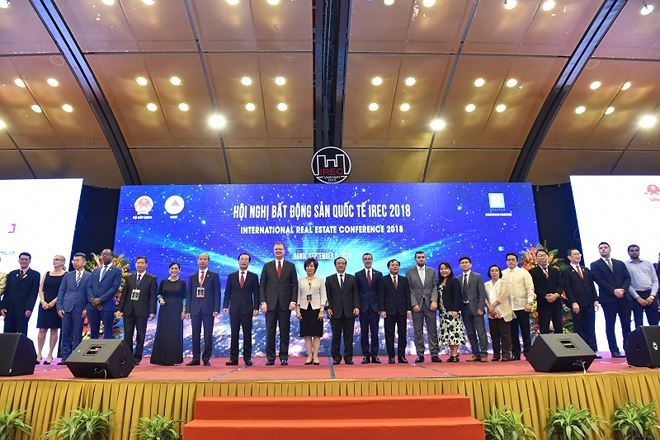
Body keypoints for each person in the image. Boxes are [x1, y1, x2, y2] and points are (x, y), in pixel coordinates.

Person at [590, 242, 632, 358]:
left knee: (626, 325)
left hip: (623, 298)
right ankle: (614, 350)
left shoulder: (619, 263)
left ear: (610, 249)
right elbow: (598, 280)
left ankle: (628, 348)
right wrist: (613, 290)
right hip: (608, 299)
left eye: (605, 247)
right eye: (601, 248)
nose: (603, 249)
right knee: (610, 325)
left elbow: (627, 278)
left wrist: (622, 289)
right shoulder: (595, 265)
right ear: (599, 250)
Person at [259, 241, 298, 366]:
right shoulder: (267, 266)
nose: (278, 251)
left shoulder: (290, 266)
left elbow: (295, 285)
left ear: (284, 251)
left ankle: (284, 357)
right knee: (270, 332)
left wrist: (293, 301)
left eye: (280, 249)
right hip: (270, 304)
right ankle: (270, 358)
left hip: (285, 304)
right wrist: (263, 302)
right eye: (276, 249)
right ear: (273, 251)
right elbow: (262, 285)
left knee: (284, 331)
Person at [117, 256, 157, 365]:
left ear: (146, 265)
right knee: (127, 334)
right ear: (135, 264)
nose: (140, 265)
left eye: (142, 263)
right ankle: (128, 356)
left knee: (140, 335)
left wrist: (152, 311)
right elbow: (124, 295)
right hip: (128, 310)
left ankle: (137, 357)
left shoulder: (151, 278)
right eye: (138, 263)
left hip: (142, 311)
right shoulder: (130, 278)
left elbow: (153, 296)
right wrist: (120, 309)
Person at [562, 248, 600, 357]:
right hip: (577, 304)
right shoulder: (566, 271)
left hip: (589, 303)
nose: (578, 256)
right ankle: (582, 351)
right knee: (579, 327)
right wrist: (573, 302)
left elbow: (592, 286)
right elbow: (567, 289)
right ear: (569, 257)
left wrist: (596, 299)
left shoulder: (585, 269)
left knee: (590, 327)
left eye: (579, 254)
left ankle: (593, 350)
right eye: (575, 254)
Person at [223, 253, 259, 367]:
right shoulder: (232, 276)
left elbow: (256, 294)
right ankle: (233, 359)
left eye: (246, 259)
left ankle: (247, 358)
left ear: (249, 262)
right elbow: (227, 292)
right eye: (242, 259)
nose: (244, 261)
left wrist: (256, 307)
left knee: (247, 334)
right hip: (234, 309)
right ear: (238, 261)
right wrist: (225, 306)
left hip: (247, 309)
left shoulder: (253, 276)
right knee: (234, 334)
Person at [185, 253, 221, 366]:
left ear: (208, 261)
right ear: (197, 261)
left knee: (208, 335)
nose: (202, 261)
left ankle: (206, 358)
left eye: (205, 259)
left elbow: (217, 293)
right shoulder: (192, 277)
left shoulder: (214, 276)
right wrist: (187, 310)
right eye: (200, 259)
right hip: (195, 309)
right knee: (195, 334)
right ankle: (195, 358)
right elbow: (189, 294)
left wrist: (216, 308)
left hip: (209, 309)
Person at [56, 253, 91, 363]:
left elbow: (91, 294)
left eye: (77, 260)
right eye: (74, 260)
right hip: (66, 307)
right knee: (65, 333)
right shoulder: (68, 275)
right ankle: (65, 356)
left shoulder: (89, 276)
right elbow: (61, 291)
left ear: (84, 262)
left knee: (77, 332)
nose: (75, 262)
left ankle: (75, 356)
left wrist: (87, 308)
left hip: (80, 308)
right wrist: (59, 307)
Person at [406, 251, 440, 363]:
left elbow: (434, 287)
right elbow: (409, 289)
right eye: (419, 257)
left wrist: (434, 300)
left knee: (432, 330)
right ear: (415, 259)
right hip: (417, 305)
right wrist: (413, 303)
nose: (421, 259)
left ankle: (434, 354)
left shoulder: (431, 271)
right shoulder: (410, 272)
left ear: (425, 258)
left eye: (422, 257)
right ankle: (420, 354)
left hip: (430, 304)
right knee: (418, 331)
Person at [150, 262, 186, 366]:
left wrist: (184, 310)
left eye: (176, 268)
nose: (174, 270)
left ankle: (174, 358)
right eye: (172, 268)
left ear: (179, 270)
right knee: (163, 332)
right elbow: (158, 294)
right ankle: (160, 358)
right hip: (165, 309)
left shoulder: (182, 283)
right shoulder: (163, 282)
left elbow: (185, 297)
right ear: (169, 270)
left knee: (175, 333)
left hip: (177, 309)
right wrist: (160, 299)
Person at [326, 256, 360, 365]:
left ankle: (348, 357)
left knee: (348, 336)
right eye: (338, 263)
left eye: (343, 263)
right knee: (336, 336)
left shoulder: (352, 278)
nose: (341, 265)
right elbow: (327, 295)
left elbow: (356, 293)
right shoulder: (329, 279)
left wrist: (356, 306)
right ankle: (336, 357)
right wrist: (328, 308)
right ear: (335, 265)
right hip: (335, 311)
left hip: (349, 311)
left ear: (345, 265)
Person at [502, 252, 535, 360]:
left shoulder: (524, 273)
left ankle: (528, 352)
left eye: (513, 260)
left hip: (523, 306)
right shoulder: (502, 274)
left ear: (517, 261)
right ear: (506, 261)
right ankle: (515, 353)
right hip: (509, 308)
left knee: (525, 331)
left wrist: (529, 302)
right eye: (509, 260)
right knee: (512, 332)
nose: (511, 262)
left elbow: (530, 289)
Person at [378, 259, 411, 364]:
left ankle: (402, 356)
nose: (395, 267)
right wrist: (382, 309)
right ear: (389, 267)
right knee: (389, 334)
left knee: (402, 334)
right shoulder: (383, 280)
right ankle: (391, 356)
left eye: (397, 265)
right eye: (393, 265)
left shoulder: (404, 280)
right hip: (389, 311)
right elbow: (381, 296)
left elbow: (407, 295)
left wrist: (408, 309)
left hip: (402, 310)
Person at [295, 257, 326, 366]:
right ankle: (309, 356)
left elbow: (323, 295)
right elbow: (297, 296)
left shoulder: (320, 280)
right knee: (307, 334)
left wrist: (322, 310)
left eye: (312, 266)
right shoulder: (300, 280)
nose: (310, 268)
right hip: (304, 309)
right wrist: (297, 311)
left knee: (317, 334)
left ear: (315, 267)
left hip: (316, 309)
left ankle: (316, 356)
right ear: (305, 267)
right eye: (308, 266)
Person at [36, 255, 66, 364]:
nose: (55, 261)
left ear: (63, 262)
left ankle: (50, 354)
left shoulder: (66, 275)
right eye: (54, 259)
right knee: (42, 330)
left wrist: (54, 302)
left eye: (57, 259)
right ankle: (39, 353)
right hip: (44, 304)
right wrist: (42, 301)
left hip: (57, 305)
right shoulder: (47, 273)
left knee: (54, 330)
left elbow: (64, 290)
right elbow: (40, 288)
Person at [0, 252, 40, 335]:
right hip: (9, 309)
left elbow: (34, 293)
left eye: (26, 259)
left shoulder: (35, 275)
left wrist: (29, 308)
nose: (23, 261)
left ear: (30, 261)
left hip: (23, 310)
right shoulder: (12, 274)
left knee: (21, 335)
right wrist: (2, 306)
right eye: (22, 259)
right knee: (7, 334)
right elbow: (6, 291)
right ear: (19, 260)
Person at [87, 249, 122, 339]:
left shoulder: (117, 271)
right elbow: (89, 286)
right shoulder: (95, 271)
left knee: (107, 331)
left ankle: (106, 349)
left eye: (107, 254)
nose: (105, 256)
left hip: (107, 305)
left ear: (112, 257)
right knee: (93, 332)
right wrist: (93, 300)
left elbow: (114, 288)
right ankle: (93, 349)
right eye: (103, 254)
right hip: (93, 306)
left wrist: (100, 299)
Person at [458, 256, 488, 362]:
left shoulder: (477, 276)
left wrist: (481, 307)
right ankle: (475, 353)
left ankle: (483, 353)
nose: (464, 264)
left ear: (470, 264)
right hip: (464, 309)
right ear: (459, 265)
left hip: (476, 308)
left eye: (466, 262)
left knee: (481, 332)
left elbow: (482, 293)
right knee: (470, 332)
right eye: (462, 263)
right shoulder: (458, 279)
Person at [355, 253, 383, 364]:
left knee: (375, 332)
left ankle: (375, 355)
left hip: (375, 308)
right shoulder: (358, 274)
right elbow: (356, 292)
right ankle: (366, 356)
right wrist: (357, 306)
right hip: (363, 308)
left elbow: (381, 292)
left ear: (372, 260)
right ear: (363, 261)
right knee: (364, 332)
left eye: (369, 259)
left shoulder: (378, 274)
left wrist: (381, 307)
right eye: (365, 259)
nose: (367, 261)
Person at [529, 249, 564, 334]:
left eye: (543, 255)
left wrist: (556, 295)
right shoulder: (532, 272)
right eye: (539, 256)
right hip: (543, 303)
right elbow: (534, 287)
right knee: (544, 329)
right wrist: (545, 296)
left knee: (559, 328)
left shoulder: (555, 270)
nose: (542, 257)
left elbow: (561, 284)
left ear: (548, 257)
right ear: (536, 258)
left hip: (556, 303)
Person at [437, 262, 465, 362]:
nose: (444, 271)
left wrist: (455, 309)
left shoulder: (454, 281)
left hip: (452, 311)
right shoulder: (439, 282)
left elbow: (457, 296)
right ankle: (452, 354)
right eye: (441, 269)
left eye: (446, 268)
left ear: (450, 270)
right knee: (448, 334)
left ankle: (455, 354)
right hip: (443, 313)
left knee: (454, 333)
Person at [484, 264, 514, 361]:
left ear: (499, 272)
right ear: (489, 273)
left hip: (503, 312)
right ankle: (496, 355)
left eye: (496, 270)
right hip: (491, 313)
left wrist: (493, 305)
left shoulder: (504, 283)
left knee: (505, 334)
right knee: (494, 334)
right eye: (492, 271)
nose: (494, 272)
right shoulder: (486, 284)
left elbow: (503, 295)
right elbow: (484, 297)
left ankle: (506, 355)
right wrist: (489, 306)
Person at [625, 244, 659, 327]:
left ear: (639, 251)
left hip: (650, 294)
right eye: (632, 251)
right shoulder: (625, 265)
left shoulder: (648, 263)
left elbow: (655, 280)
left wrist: (652, 296)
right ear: (628, 252)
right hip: (636, 296)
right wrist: (637, 297)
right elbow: (627, 283)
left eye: (636, 250)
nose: (634, 252)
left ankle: (654, 337)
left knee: (654, 323)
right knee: (639, 324)